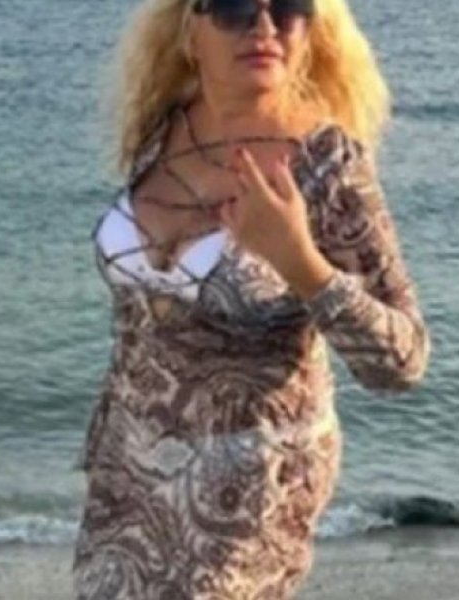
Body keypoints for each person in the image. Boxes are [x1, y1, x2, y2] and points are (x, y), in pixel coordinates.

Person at [72, 0, 431, 597]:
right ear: (190, 29)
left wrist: (301, 263)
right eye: (236, 8)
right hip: (127, 469)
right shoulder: (162, 130)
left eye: (288, 8)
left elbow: (404, 361)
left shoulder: (326, 165)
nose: (264, 27)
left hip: (247, 488)